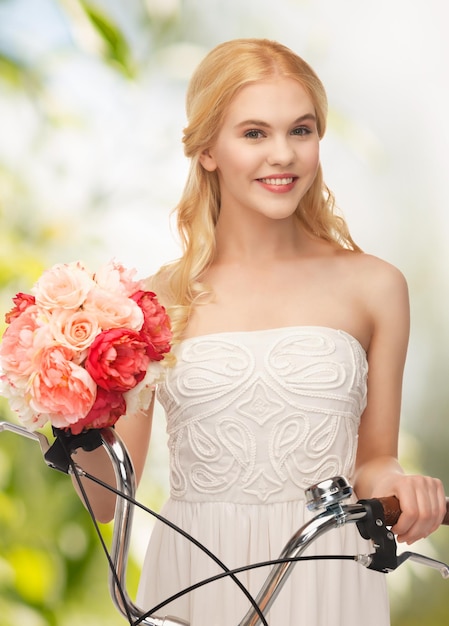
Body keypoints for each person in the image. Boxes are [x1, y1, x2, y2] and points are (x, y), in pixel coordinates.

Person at [74, 38, 446, 625]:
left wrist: (404, 485)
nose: (283, 155)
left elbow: (375, 461)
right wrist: (73, 402)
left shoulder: (375, 286)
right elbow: (104, 500)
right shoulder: (148, 304)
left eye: (300, 131)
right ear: (208, 151)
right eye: (254, 134)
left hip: (329, 572)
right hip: (196, 576)